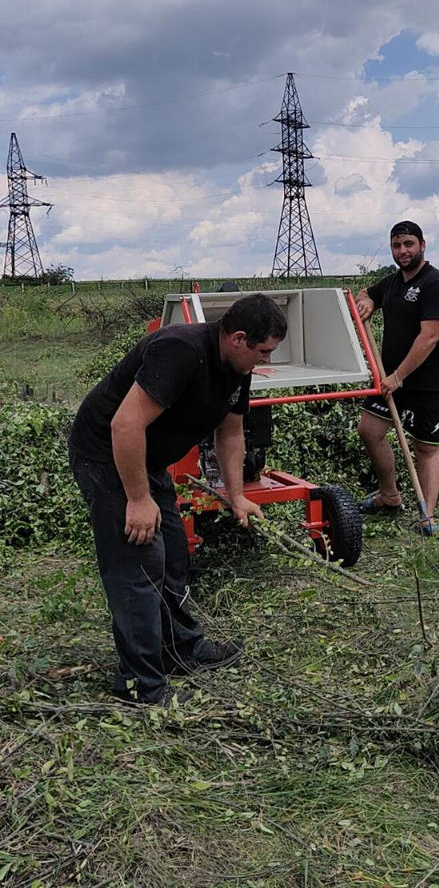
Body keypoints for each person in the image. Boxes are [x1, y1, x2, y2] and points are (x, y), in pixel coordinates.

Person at [68, 294, 287, 706]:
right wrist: (137, 499)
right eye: (262, 351)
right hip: (106, 455)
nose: (263, 360)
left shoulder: (235, 368)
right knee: (139, 564)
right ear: (238, 338)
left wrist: (236, 497)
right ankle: (140, 686)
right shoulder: (181, 350)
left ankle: (180, 649)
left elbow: (231, 433)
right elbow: (125, 423)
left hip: (146, 459)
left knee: (172, 551)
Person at [356, 221, 439, 536]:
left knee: (424, 448)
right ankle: (389, 495)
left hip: (425, 383)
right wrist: (368, 301)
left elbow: (429, 337)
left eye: (409, 244)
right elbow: (365, 294)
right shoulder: (393, 283)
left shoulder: (435, 284)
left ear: (422, 245)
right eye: (397, 246)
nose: (403, 251)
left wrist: (399, 376)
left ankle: (428, 516)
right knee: (369, 430)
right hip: (391, 380)